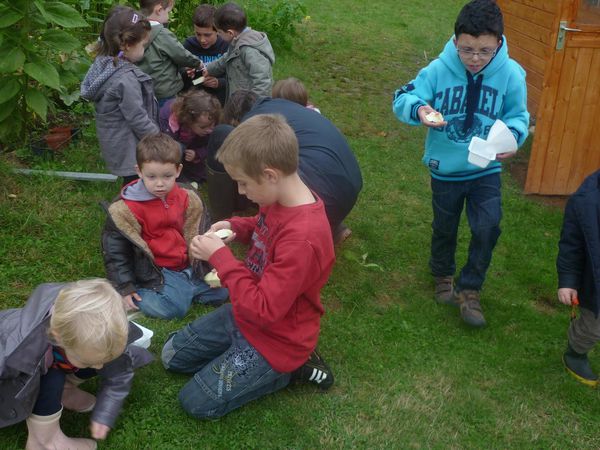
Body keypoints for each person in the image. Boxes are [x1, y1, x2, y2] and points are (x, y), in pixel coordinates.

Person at [161, 114, 336, 419]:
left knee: (194, 403)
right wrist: (237, 226)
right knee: (171, 356)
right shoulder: (280, 196)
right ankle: (245, 359)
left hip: (276, 337)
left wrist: (221, 258)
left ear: (270, 175)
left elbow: (265, 309)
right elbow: (262, 223)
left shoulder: (303, 239)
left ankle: (291, 369)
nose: (241, 192)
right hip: (243, 314)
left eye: (243, 183)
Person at [392, 0, 529, 327]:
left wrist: (514, 136)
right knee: (445, 225)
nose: (475, 59)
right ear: (455, 42)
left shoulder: (511, 74)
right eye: (467, 50)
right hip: (446, 169)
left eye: (484, 51)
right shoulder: (439, 69)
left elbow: (518, 116)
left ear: (499, 42)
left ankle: (470, 289)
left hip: (487, 169)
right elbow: (403, 97)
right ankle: (442, 273)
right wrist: (421, 111)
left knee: (488, 226)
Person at [0, 279, 153, 449]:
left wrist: (105, 414)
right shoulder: (17, 346)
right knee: (50, 379)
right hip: (22, 375)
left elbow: (118, 375)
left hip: (60, 357)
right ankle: (45, 441)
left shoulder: (105, 337)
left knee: (94, 361)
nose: (99, 368)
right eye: (89, 361)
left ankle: (66, 390)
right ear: (58, 337)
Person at [101, 133, 228, 320]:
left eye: (167, 176)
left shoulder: (188, 197)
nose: (159, 184)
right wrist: (125, 286)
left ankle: (183, 290)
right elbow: (115, 253)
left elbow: (202, 233)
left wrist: (211, 266)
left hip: (189, 265)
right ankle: (145, 296)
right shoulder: (125, 209)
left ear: (178, 170)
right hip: (159, 271)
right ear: (139, 171)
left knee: (223, 292)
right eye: (151, 177)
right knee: (174, 310)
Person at [208, 91, 362, 244]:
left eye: (242, 184)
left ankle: (220, 214)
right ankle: (331, 226)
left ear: (235, 120)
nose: (242, 189)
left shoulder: (254, 127)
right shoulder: (280, 105)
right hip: (349, 185)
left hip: (315, 196)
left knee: (221, 134)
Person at [81, 6, 159, 186]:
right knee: (135, 184)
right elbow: (137, 117)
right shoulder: (126, 80)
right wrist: (157, 139)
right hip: (129, 148)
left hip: (116, 142)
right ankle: (130, 209)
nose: (144, 49)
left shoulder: (104, 64)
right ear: (127, 45)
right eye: (143, 45)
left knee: (130, 180)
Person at [557, 170, 600, 387]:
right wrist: (568, 281)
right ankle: (576, 353)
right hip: (595, 283)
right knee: (592, 326)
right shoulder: (585, 201)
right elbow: (571, 246)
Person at [203, 2, 275, 101]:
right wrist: (209, 69)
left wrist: (254, 107)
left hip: (248, 105)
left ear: (230, 33)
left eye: (219, 32)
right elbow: (226, 58)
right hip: (237, 102)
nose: (218, 35)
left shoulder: (249, 50)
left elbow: (263, 82)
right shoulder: (236, 41)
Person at [137, 0, 203, 106]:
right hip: (166, 92)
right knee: (167, 119)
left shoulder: (135, 30)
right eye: (168, 12)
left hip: (143, 91)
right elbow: (181, 55)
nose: (168, 17)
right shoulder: (162, 34)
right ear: (159, 10)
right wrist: (198, 63)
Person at [159, 90, 221, 184]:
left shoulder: (210, 120)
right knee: (177, 148)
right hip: (172, 147)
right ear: (188, 121)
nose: (209, 130)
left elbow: (211, 146)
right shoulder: (169, 120)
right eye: (203, 127)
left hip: (193, 152)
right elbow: (165, 147)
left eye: (212, 125)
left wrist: (197, 154)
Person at [182, 3, 229, 105]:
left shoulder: (226, 46)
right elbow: (179, 75)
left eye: (207, 35)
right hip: (194, 100)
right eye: (198, 34)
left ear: (217, 31)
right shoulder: (189, 45)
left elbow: (235, 76)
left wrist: (219, 83)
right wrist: (187, 72)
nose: (202, 40)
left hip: (220, 100)